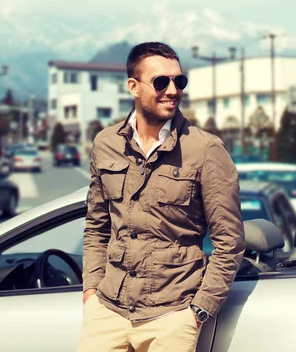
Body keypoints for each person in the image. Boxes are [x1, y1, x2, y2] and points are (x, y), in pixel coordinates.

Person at [78, 42, 245, 352]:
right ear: (133, 87)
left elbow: (229, 241)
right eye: (161, 82)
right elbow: (96, 227)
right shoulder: (106, 144)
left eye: (178, 81)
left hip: (172, 315)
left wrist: (198, 311)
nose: (173, 90)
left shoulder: (206, 150)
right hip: (107, 311)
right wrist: (91, 291)